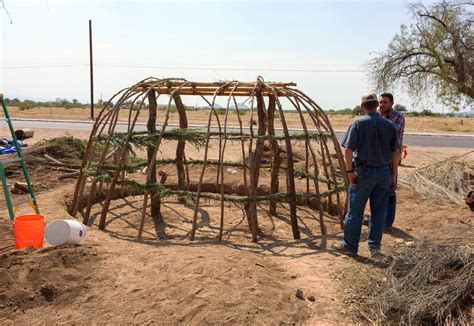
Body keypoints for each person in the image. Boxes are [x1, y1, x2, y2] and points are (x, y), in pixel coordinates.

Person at [333, 93, 400, 258]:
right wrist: (394, 175)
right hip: (384, 173)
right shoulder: (389, 125)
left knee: (355, 212)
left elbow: (348, 150)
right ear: (377, 105)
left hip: (363, 173)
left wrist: (349, 172)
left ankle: (350, 247)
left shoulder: (358, 124)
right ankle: (375, 249)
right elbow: (396, 152)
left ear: (362, 106)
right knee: (379, 212)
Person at [378, 93, 405, 232]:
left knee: (390, 190)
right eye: (380, 102)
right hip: (378, 158)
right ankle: (378, 219)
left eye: (385, 102)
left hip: (391, 157)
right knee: (378, 190)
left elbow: (392, 139)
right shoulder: (378, 115)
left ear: (392, 103)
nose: (382, 105)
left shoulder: (397, 117)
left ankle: (387, 223)